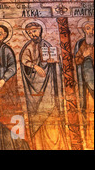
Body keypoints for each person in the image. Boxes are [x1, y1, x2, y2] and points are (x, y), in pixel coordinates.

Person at [19, 21, 68, 150]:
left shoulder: (47, 45)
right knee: (37, 116)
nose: (32, 34)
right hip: (35, 87)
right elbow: (24, 61)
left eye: (34, 31)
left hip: (49, 86)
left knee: (52, 112)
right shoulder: (28, 47)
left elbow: (54, 63)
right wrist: (34, 66)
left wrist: (53, 63)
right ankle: (39, 145)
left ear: (40, 30)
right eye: (29, 33)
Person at [0, 24, 30, 150]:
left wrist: (3, 79)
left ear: (5, 35)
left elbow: (13, 67)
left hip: (6, 89)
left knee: (7, 115)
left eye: (0, 33)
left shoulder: (6, 49)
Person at [74, 20, 94, 149]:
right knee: (88, 110)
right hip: (86, 83)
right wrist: (84, 56)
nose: (91, 31)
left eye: (93, 29)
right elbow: (76, 60)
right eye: (88, 28)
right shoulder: (80, 43)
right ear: (84, 30)